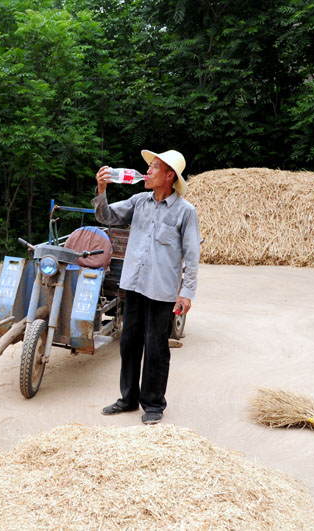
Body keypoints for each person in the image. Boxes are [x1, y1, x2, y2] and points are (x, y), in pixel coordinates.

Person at [92, 149, 200, 425]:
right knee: (129, 344)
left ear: (169, 176)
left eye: (154, 168)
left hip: (162, 291)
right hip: (134, 286)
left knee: (156, 348)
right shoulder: (139, 201)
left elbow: (192, 254)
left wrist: (186, 292)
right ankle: (127, 399)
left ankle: (153, 404)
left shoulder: (185, 212)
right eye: (149, 167)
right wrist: (102, 188)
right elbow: (106, 217)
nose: (148, 172)